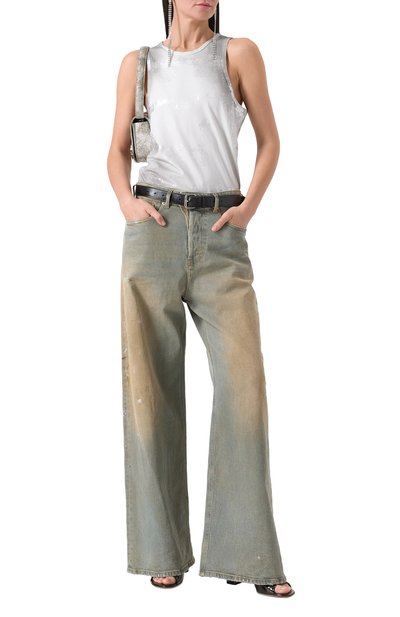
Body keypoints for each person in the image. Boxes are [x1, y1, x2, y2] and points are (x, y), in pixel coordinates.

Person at [107, 0, 295, 598]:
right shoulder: (138, 64)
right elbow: (116, 150)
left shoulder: (238, 54)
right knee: (149, 392)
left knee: (244, 385)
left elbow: (270, 141)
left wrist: (248, 209)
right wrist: (127, 203)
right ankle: (160, 552)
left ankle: (247, 553)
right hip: (153, 230)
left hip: (221, 234)